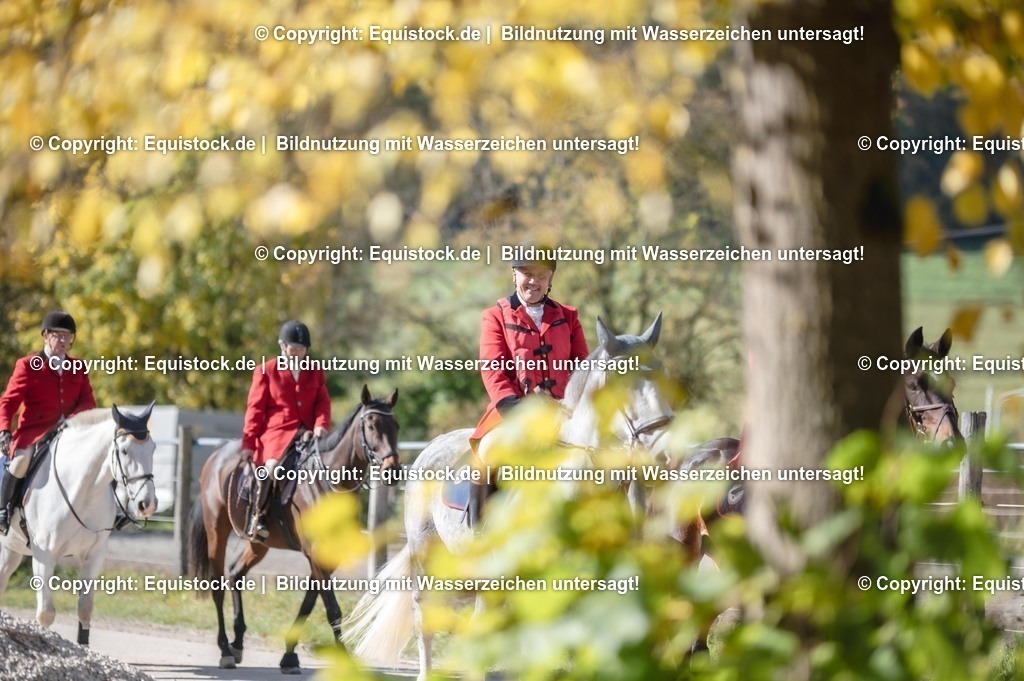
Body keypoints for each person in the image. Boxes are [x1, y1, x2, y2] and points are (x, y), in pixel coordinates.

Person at [467, 247, 590, 526]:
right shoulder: (495, 316)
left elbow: (583, 366)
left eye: (541, 275)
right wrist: (517, 408)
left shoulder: (569, 316)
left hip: (565, 412)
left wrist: (572, 405)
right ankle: (479, 534)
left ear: (550, 280)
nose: (533, 281)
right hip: (512, 411)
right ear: (514, 275)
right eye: (527, 274)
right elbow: (493, 368)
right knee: (488, 452)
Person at [0, 311, 97, 535]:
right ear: (45, 336)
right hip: (36, 432)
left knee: (99, 456)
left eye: (68, 336)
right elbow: (8, 401)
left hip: (72, 432)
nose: (63, 341)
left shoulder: (78, 367)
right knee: (21, 462)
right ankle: (4, 510)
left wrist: (72, 421)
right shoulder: (27, 365)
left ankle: (112, 510)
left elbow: (88, 401)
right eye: (58, 335)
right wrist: (4, 429)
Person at [241, 320, 330, 539]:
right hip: (277, 434)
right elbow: (255, 409)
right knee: (271, 468)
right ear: (282, 345)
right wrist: (249, 443)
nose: (298, 353)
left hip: (309, 433)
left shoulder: (315, 371)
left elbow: (322, 402)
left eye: (302, 349)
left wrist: (321, 424)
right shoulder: (266, 371)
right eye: (294, 348)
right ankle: (258, 516)